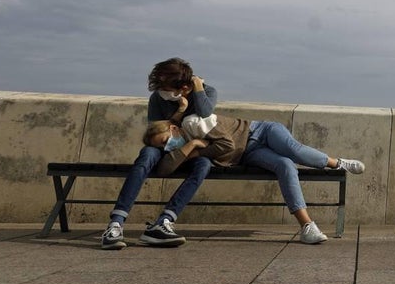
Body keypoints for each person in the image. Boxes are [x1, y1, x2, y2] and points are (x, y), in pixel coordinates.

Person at [143, 115, 365, 244]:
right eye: (161, 147)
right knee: (285, 165)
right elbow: (165, 169)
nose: (166, 147)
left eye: (165, 140)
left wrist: (197, 147)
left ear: (174, 128)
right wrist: (192, 146)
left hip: (261, 131)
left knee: (293, 151)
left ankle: (337, 163)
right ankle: (307, 227)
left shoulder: (194, 122)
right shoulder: (183, 148)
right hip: (247, 154)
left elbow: (227, 145)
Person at [100, 58, 218, 250]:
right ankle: (116, 223)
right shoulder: (158, 98)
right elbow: (155, 131)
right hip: (162, 148)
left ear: (184, 86)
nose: (163, 91)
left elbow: (205, 112)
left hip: (190, 150)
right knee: (147, 154)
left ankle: (164, 221)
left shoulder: (207, 92)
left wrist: (197, 87)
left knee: (204, 164)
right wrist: (180, 111)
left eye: (166, 87)